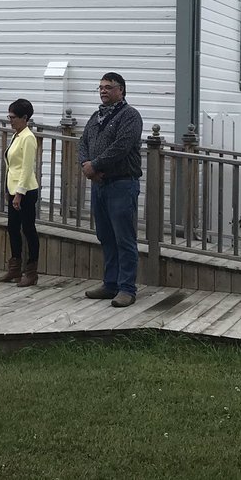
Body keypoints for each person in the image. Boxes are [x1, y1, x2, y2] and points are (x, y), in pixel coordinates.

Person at [78, 72, 143, 307]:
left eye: (109, 87)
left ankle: (127, 288)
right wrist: (87, 165)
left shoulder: (130, 116)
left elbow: (121, 147)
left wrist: (95, 165)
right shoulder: (96, 117)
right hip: (100, 185)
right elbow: (83, 142)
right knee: (105, 236)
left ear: (121, 90)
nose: (103, 90)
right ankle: (110, 284)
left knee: (124, 238)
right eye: (100, 87)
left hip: (122, 184)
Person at [0, 98, 41, 287]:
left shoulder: (28, 137)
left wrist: (19, 193)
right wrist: (9, 190)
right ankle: (14, 268)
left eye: (13, 117)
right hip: (13, 188)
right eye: (9, 116)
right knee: (12, 228)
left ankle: (31, 271)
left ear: (25, 118)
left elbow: (26, 168)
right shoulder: (17, 135)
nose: (10, 120)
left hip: (26, 190)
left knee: (28, 229)